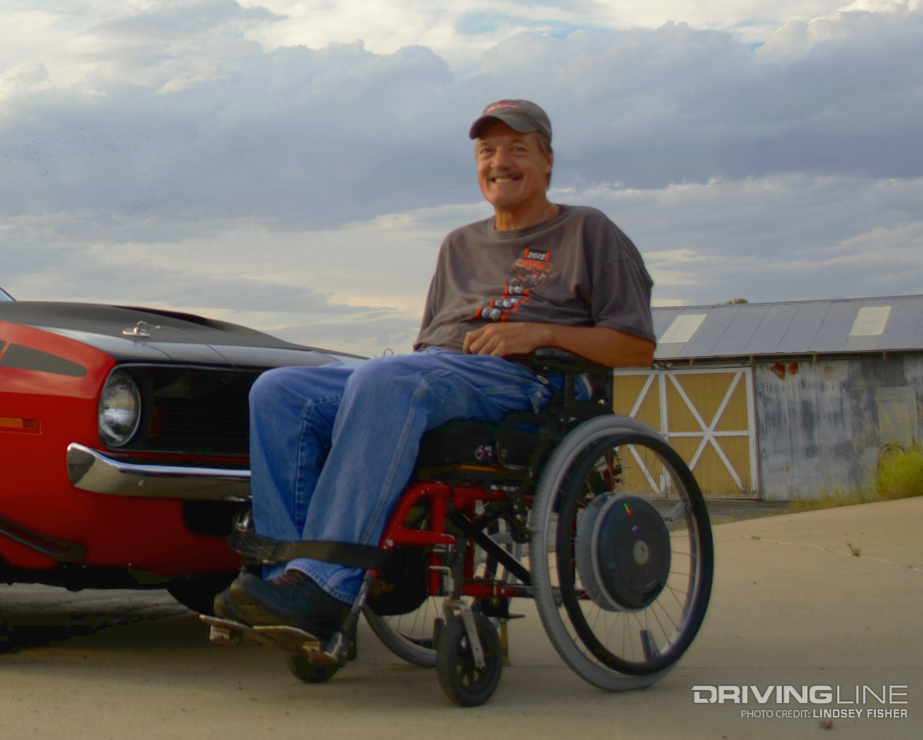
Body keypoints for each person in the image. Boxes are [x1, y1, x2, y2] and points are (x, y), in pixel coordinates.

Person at [215, 99, 657, 638]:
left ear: (547, 162)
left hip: (524, 382)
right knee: (279, 390)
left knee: (388, 379)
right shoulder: (458, 245)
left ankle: (327, 583)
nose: (500, 162)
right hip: (437, 372)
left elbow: (636, 346)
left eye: (518, 149)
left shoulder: (588, 231)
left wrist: (539, 333)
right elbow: (428, 349)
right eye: (487, 151)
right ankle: (285, 580)